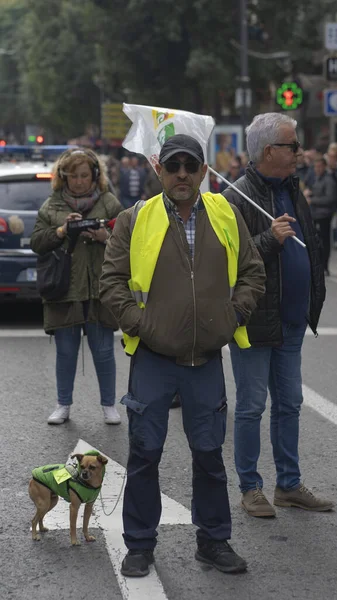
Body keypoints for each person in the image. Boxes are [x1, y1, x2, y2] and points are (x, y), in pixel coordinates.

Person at [100, 133, 266, 577]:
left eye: (190, 166)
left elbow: (252, 271)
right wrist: (140, 326)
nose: (181, 174)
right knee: (145, 453)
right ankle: (139, 544)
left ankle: (213, 541)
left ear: (203, 171)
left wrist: (234, 315)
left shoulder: (225, 213)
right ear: (159, 170)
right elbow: (111, 282)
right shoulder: (136, 218)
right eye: (173, 166)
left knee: (210, 455)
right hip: (153, 359)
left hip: (206, 360)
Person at [223, 113, 332, 518]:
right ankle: (250, 487)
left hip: (290, 320)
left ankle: (288, 485)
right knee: (251, 407)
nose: (300, 151)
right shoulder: (234, 197)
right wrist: (269, 238)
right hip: (253, 322)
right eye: (292, 145)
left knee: (290, 404)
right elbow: (227, 260)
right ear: (270, 151)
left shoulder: (291, 188)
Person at [31, 148, 122, 425]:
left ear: (95, 176)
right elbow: (37, 242)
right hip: (65, 290)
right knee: (66, 352)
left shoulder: (109, 203)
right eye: (74, 176)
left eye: (85, 175)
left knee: (104, 351)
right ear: (63, 177)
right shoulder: (51, 207)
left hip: (99, 290)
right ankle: (63, 404)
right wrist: (60, 232)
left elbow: (129, 243)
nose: (80, 181)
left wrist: (106, 236)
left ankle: (109, 405)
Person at [303, 157, 337, 276]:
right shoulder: (316, 179)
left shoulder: (329, 180)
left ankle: (325, 266)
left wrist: (312, 200)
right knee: (315, 241)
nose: (317, 169)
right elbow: (313, 189)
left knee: (325, 241)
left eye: (319, 167)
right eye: (315, 167)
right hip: (315, 215)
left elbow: (330, 198)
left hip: (324, 215)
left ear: (324, 166)